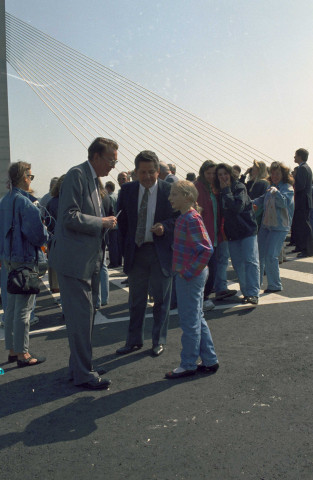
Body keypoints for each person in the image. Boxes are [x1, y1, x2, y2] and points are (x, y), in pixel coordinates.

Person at [49, 137, 118, 390]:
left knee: (84, 318)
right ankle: (83, 373)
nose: (113, 165)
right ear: (96, 157)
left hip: (87, 261)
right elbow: (68, 216)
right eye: (111, 159)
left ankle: (79, 368)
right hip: (74, 262)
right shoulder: (77, 175)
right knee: (81, 318)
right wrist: (102, 222)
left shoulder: (91, 178)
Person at [116, 150, 177, 356]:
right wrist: (125, 249)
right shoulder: (127, 191)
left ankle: (158, 341)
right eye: (143, 172)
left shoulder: (170, 190)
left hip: (160, 252)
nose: (148, 176)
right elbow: (122, 223)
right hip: (137, 252)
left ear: (158, 171)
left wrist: (165, 227)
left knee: (161, 300)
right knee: (136, 300)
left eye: (152, 172)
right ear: (136, 172)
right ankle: (133, 341)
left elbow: (179, 219)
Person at [165, 181, 219, 379]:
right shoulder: (187, 217)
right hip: (190, 274)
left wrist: (187, 272)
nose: (170, 198)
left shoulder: (190, 218)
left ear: (187, 196)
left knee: (190, 322)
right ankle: (210, 359)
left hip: (190, 276)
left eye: (174, 194)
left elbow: (206, 249)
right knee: (197, 318)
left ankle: (188, 363)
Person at [0, 161, 49, 367]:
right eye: (30, 176)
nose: (31, 180)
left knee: (11, 307)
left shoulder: (4, 201)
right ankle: (23, 354)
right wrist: (45, 229)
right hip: (26, 260)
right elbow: (38, 236)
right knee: (24, 310)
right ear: (23, 177)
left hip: (9, 258)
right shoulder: (26, 203)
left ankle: (12, 350)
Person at [215, 163, 260, 305]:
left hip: (247, 230)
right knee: (238, 264)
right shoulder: (218, 191)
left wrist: (227, 191)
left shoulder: (239, 187)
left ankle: (253, 293)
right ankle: (246, 293)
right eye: (220, 174)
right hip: (232, 233)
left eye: (225, 173)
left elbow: (237, 207)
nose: (223, 177)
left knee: (250, 261)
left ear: (230, 174)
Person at [254, 162, 294, 293]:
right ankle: (256, 284)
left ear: (283, 174)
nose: (275, 175)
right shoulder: (272, 186)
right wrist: (248, 202)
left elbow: (285, 204)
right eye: (273, 173)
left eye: (278, 173)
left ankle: (275, 285)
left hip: (280, 227)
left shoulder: (287, 188)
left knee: (271, 255)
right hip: (267, 225)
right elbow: (261, 199)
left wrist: (276, 193)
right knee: (259, 254)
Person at [45, 175, 66, 293]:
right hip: (68, 240)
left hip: (53, 239)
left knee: (54, 267)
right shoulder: (68, 201)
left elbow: (47, 222)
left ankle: (55, 287)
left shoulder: (50, 201)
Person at [292, 148, 313, 257]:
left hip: (302, 201)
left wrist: (292, 182)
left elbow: (300, 186)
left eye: (295, 155)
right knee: (302, 225)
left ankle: (307, 250)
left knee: (304, 226)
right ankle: (301, 247)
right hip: (305, 201)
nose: (294, 157)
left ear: (300, 156)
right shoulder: (306, 168)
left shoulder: (302, 169)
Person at [104, 181, 121, 268]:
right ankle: (118, 262)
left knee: (112, 245)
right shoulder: (116, 196)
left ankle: (113, 262)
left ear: (108, 188)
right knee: (117, 244)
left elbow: (109, 211)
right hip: (118, 224)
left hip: (111, 224)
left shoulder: (109, 197)